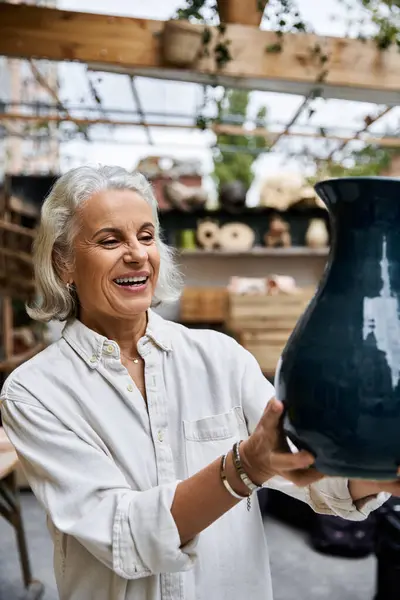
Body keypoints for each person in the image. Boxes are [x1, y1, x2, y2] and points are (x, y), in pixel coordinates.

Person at [0, 165, 398, 600]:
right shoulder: (35, 392)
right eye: (110, 240)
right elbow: (123, 536)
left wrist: (378, 471)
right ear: (64, 263)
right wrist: (244, 468)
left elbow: (310, 469)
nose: (137, 254)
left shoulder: (220, 358)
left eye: (147, 236)